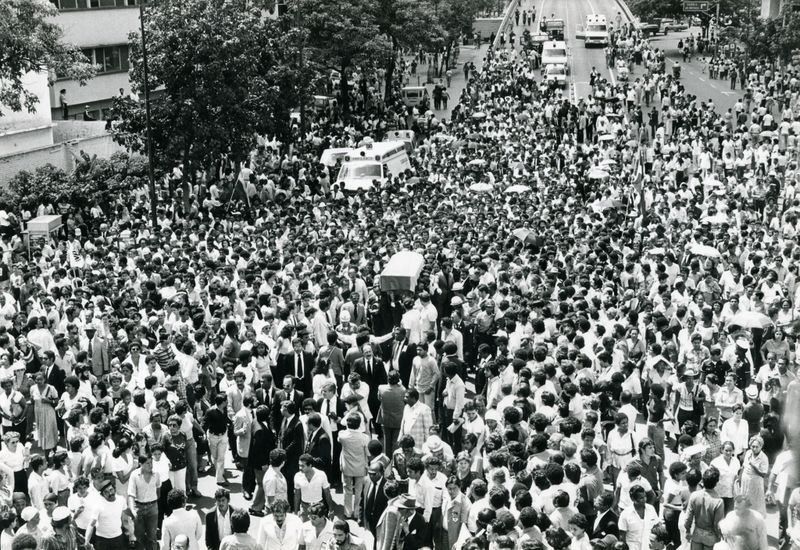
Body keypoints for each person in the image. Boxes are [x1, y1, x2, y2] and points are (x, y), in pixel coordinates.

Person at [84, 478, 132, 550]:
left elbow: (126, 512)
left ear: (114, 489)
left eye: (111, 490)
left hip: (117, 538)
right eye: (106, 492)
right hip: (102, 540)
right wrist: (86, 541)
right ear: (102, 495)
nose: (110, 493)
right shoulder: (98, 504)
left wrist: (134, 516)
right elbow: (91, 524)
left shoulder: (121, 499)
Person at [684, 467, 724, 550]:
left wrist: (687, 531)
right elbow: (717, 525)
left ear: (702, 480)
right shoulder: (718, 501)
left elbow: (688, 519)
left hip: (696, 536)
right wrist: (720, 537)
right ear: (716, 482)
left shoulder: (694, 495)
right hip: (711, 538)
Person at [338, 414, 369, 520]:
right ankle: (357, 513)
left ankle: (347, 512)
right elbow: (368, 453)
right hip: (360, 466)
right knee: (359, 490)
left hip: (347, 467)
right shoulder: (364, 438)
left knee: (347, 489)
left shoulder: (342, 435)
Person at [127, 454, 161, 550]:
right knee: (139, 537)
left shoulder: (156, 474)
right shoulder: (134, 475)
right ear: (140, 464)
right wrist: (133, 510)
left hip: (153, 508)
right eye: (147, 463)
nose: (151, 465)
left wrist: (153, 502)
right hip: (139, 508)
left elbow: (158, 490)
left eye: (151, 462)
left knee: (152, 537)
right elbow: (131, 494)